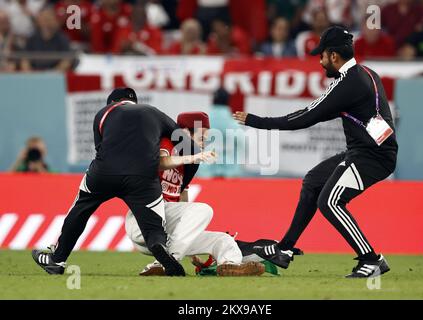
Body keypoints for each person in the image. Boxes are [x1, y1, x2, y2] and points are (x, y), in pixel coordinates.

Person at [233, 26, 398, 278]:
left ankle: (372, 260)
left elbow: (305, 117)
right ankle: (284, 250)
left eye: (321, 55)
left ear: (333, 56)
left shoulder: (348, 83)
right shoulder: (366, 73)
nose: (320, 62)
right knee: (313, 182)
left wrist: (257, 121)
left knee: (330, 202)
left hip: (371, 156)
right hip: (368, 151)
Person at [31, 87, 194, 277]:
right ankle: (158, 244)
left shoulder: (103, 113)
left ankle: (57, 259)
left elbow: (99, 148)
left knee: (81, 209)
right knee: (154, 227)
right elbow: (188, 145)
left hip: (105, 171)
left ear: (112, 102)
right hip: (143, 175)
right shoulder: (154, 113)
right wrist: (184, 180)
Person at [126, 112, 265, 276]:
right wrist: (193, 157)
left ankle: (230, 264)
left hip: (166, 233)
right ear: (184, 132)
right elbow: (161, 163)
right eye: (201, 137)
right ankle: (165, 262)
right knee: (204, 209)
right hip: (143, 223)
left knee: (223, 239)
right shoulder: (167, 142)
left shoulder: (189, 163)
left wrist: (192, 253)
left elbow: (183, 207)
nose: (204, 143)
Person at [20, 6, 72, 72]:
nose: (46, 22)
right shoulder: (32, 38)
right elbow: (25, 59)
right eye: (44, 19)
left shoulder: (62, 39)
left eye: (49, 19)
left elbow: (66, 61)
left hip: (55, 76)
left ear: (54, 20)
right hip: (34, 74)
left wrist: (52, 74)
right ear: (39, 21)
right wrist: (29, 73)